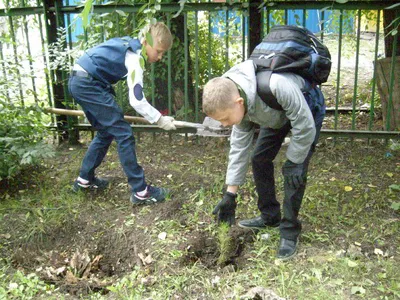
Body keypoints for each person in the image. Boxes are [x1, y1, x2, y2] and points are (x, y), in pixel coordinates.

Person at [202, 59, 325, 260]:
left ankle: (289, 230)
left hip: (306, 112)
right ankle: (270, 216)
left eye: (224, 119)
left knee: (295, 172)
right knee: (259, 158)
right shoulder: (238, 102)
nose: (224, 125)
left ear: (239, 103)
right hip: (274, 114)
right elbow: (239, 148)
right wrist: (230, 194)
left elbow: (304, 126)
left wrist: (294, 161)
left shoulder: (276, 86)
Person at [68, 22, 176, 205]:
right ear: (145, 41)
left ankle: (84, 181)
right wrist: (159, 119)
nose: (159, 57)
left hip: (81, 81)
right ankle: (141, 191)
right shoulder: (135, 58)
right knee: (124, 133)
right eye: (158, 51)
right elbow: (137, 100)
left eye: (163, 53)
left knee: (106, 131)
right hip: (89, 84)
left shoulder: (128, 45)